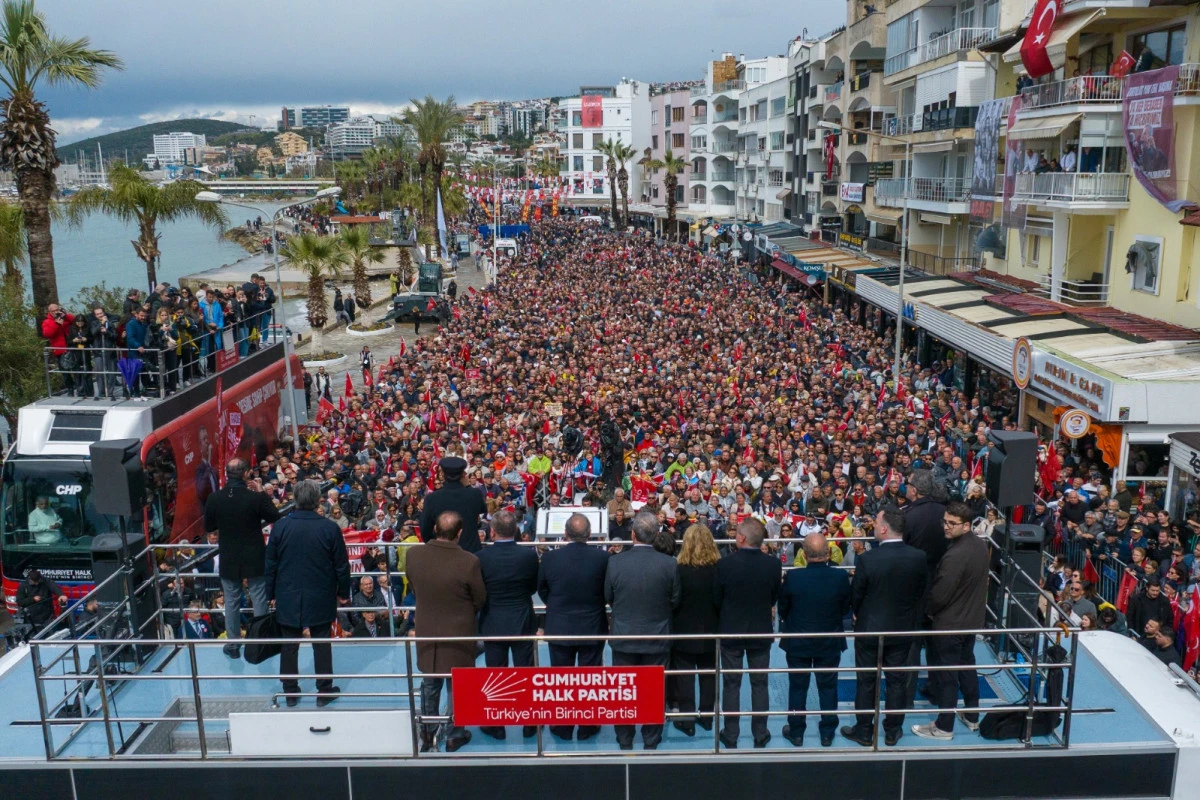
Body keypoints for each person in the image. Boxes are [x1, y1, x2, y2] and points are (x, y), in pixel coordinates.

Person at [842, 509, 929, 748]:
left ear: (883, 528)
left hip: (870, 629)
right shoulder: (919, 557)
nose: (873, 525)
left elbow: (856, 595)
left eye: (876, 522)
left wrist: (859, 614)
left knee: (867, 680)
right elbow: (921, 593)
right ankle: (892, 732)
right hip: (902, 629)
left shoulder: (869, 559)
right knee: (897, 681)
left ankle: (863, 732)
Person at [263, 480, 351, 708]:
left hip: (287, 594)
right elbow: (341, 566)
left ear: (295, 499)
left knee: (289, 644)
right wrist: (343, 592)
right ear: (317, 500)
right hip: (321, 594)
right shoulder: (329, 528)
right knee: (321, 642)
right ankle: (324, 690)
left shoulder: (280, 527)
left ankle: (290, 691)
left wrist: (269, 592)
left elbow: (270, 563)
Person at [405, 510, 487, 752]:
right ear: (459, 534)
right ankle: (454, 734)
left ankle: (427, 731)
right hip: (459, 634)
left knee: (430, 682)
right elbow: (480, 599)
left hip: (427, 630)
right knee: (457, 685)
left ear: (435, 530)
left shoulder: (414, 555)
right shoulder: (469, 561)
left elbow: (414, 587)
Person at [912, 502, 991, 741]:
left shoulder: (955, 555)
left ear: (966, 526)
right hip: (970, 620)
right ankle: (972, 715)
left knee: (947, 676)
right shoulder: (979, 546)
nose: (945, 527)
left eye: (952, 523)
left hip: (950, 624)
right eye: (944, 521)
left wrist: (928, 611)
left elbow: (940, 594)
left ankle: (943, 727)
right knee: (967, 666)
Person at [604, 510, 681, 750]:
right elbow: (675, 600)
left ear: (633, 533)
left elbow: (609, 597)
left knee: (623, 690)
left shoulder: (615, 561)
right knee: (655, 690)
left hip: (624, 637)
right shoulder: (669, 563)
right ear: (657, 535)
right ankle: (651, 738)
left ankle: (625, 738)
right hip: (657, 637)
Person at [537, 512, 610, 741]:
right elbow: (606, 591)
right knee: (590, 678)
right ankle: (588, 725)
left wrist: (557, 606)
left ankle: (562, 725)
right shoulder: (603, 558)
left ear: (565, 534)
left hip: (560, 625)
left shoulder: (550, 559)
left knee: (561, 679)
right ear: (589, 534)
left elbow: (542, 590)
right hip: (592, 625)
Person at [777, 532, 851, 748]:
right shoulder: (839, 576)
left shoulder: (793, 577)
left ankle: (797, 732)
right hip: (828, 641)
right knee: (828, 687)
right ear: (828, 553)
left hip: (798, 641)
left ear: (803, 554)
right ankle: (827, 733)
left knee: (797, 687)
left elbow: (783, 608)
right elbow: (845, 609)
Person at [714, 517, 782, 749]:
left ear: (741, 538)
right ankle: (760, 735)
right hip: (760, 631)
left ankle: (731, 735)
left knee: (731, 684)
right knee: (760, 684)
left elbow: (717, 599)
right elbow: (774, 596)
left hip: (731, 631)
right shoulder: (773, 565)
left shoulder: (724, 564)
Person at [204, 458, 282, 658]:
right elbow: (274, 516)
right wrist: (261, 493)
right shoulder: (255, 498)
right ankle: (261, 641)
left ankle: (233, 645)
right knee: (258, 597)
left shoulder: (214, 499)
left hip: (229, 556)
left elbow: (209, 527)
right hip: (254, 556)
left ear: (227, 474)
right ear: (246, 473)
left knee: (231, 601)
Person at [475, 509, 539, 741]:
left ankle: (497, 725)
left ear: (492, 531)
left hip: (493, 620)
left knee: (496, 675)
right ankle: (530, 724)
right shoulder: (529, 556)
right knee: (526, 672)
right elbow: (533, 588)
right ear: (516, 531)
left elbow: (479, 591)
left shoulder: (481, 557)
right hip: (522, 618)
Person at [671, 524, 720, 736]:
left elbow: (674, 600)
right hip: (712, 629)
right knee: (709, 674)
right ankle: (708, 717)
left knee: (685, 676)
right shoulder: (719, 569)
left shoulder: (678, 570)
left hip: (684, 630)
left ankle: (687, 719)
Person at [420, 456, 487, 553]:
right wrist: (467, 485)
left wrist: (437, 547)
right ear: (463, 474)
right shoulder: (474, 494)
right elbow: (483, 509)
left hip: (442, 553)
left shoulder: (432, 498)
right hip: (470, 554)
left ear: (442, 474)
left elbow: (425, 531)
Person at [16, 569, 65, 635]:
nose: (37, 584)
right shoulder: (23, 586)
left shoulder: (45, 581)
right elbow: (20, 602)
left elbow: (54, 587)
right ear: (30, 578)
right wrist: (33, 599)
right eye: (34, 582)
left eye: (38, 581)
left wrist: (61, 594)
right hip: (31, 618)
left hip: (47, 615)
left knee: (50, 634)